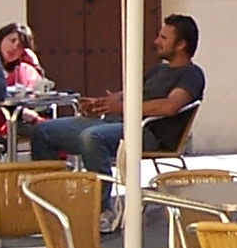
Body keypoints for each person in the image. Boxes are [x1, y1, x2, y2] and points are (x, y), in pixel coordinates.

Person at [31, 15, 203, 173]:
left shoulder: (191, 74)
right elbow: (127, 95)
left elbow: (169, 106)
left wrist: (121, 108)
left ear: (181, 44)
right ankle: (51, 194)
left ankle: (98, 203)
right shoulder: (159, 69)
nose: (156, 41)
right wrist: (100, 103)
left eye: (164, 38)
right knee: (42, 131)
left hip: (148, 133)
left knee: (92, 138)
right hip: (117, 123)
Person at [0, 23, 45, 92]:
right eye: (12, 40)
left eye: (20, 46)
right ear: (1, 39)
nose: (15, 47)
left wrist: (36, 65)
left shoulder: (23, 70)